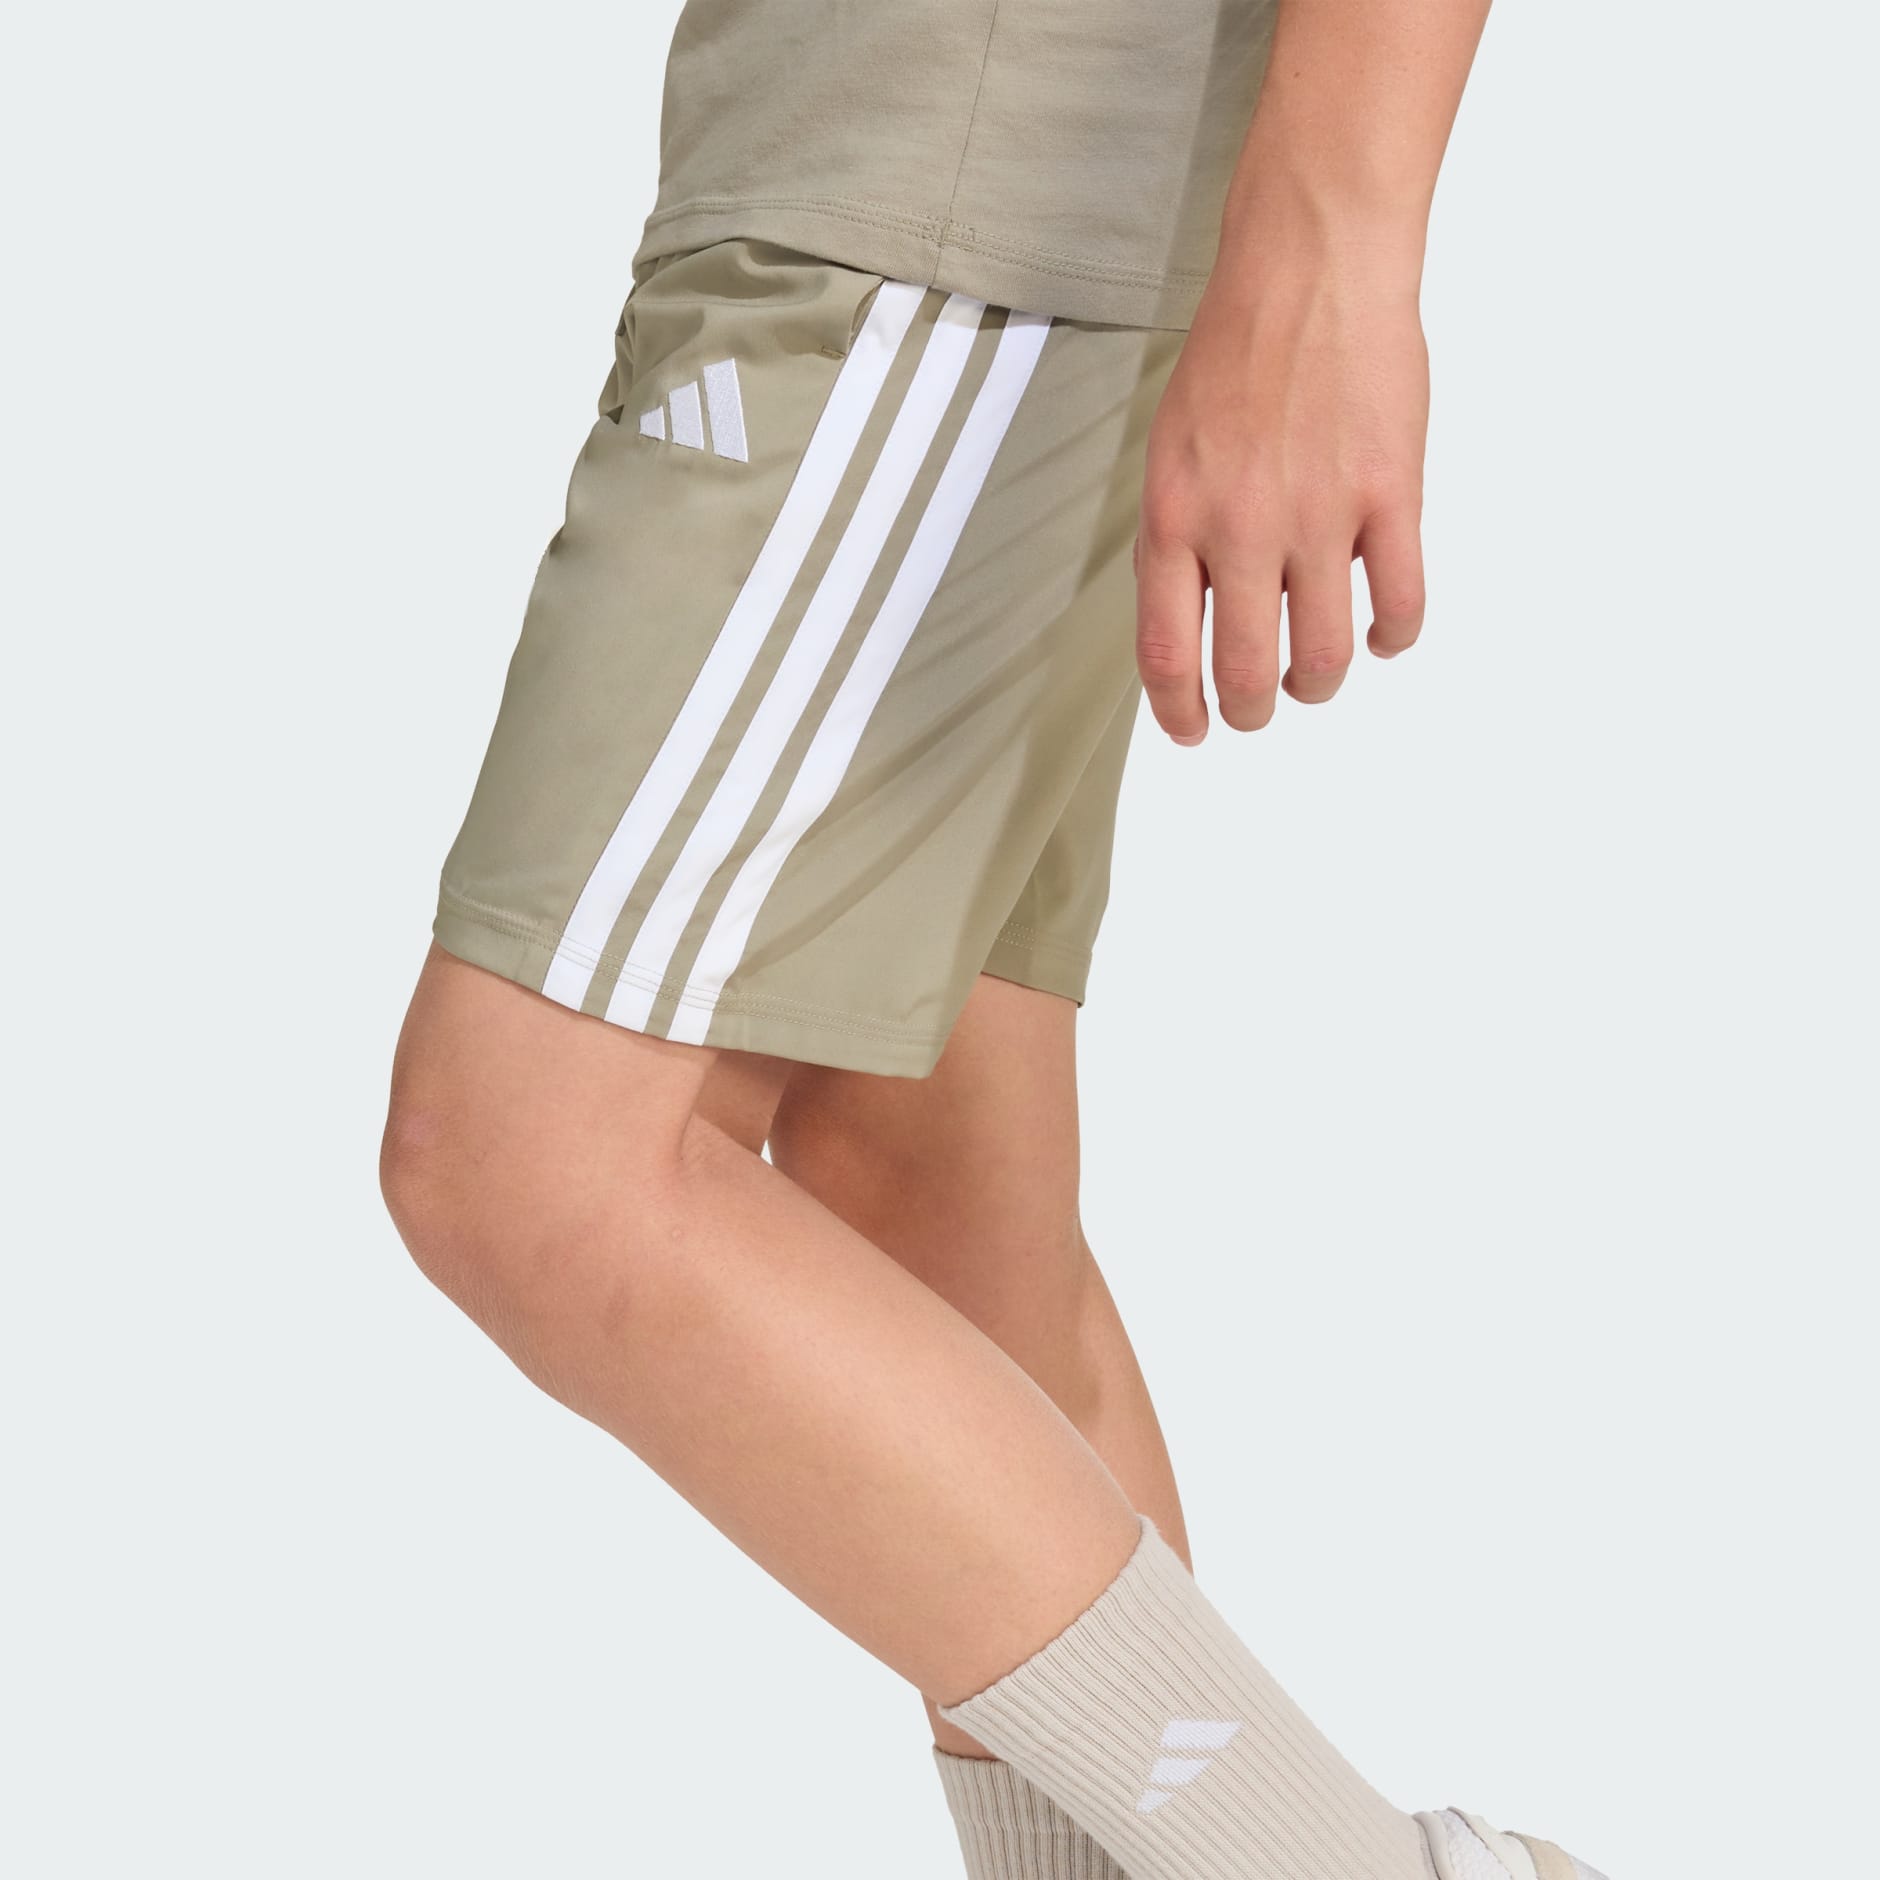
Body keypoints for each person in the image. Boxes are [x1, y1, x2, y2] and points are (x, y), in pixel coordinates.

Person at [381, 3, 1609, 1877]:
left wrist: (1337, 243)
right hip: (890, 176)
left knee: (536, 1166)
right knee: (929, 1199)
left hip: (968, 184)